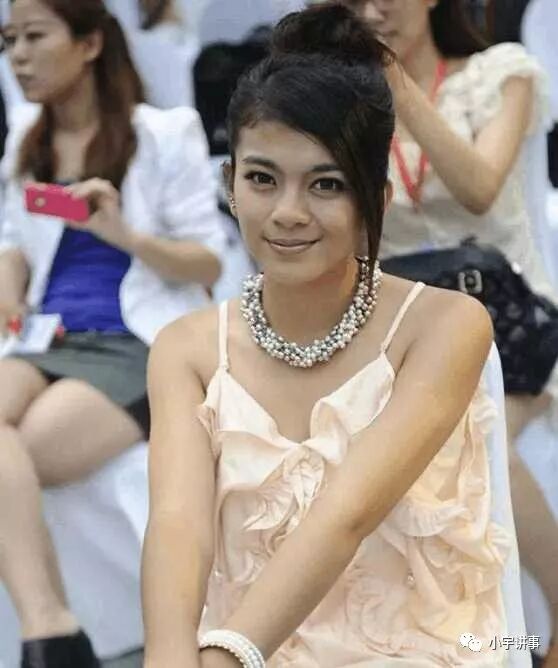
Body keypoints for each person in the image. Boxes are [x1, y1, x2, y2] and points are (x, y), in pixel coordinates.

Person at [142, 4, 513, 666]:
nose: (288, 213)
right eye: (262, 178)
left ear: (376, 200)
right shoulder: (186, 349)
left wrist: (228, 655)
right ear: (230, 185)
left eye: (326, 184)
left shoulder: (445, 326)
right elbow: (178, 526)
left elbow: (347, 515)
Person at [0, 0, 225, 665]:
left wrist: (123, 234)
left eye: (34, 37)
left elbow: (208, 261)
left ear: (90, 44)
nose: (18, 56)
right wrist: (8, 287)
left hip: (135, 339)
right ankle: (51, 627)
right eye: (8, 40)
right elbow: (13, 240)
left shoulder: (164, 132)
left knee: (20, 454)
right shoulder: (27, 136)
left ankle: (50, 632)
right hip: (46, 336)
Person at [342, 0, 558, 664]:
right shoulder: (343, 99)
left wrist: (397, 84)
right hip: (397, 325)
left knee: (470, 429)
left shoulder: (503, 73)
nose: (374, 12)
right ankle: (463, 641)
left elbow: (480, 187)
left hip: (506, 321)